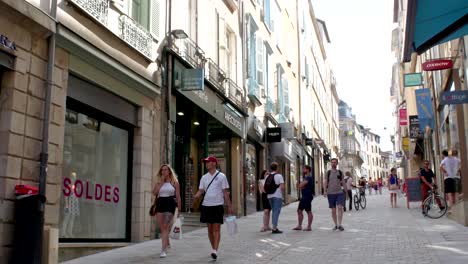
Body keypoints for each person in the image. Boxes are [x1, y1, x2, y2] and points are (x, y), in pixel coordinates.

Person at [193, 156, 232, 260]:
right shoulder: (204, 177)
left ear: (214, 163)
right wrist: (196, 196)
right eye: (206, 162)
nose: (206, 164)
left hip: (218, 205)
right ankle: (213, 247)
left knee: (216, 228)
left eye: (208, 162)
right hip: (206, 206)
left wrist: (229, 205)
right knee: (210, 229)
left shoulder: (222, 176)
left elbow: (225, 192)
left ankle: (215, 250)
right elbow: (201, 190)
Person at [152, 164, 182, 258]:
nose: (164, 171)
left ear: (169, 171)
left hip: (170, 204)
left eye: (166, 170)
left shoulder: (175, 182)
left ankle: (163, 250)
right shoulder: (158, 182)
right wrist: (161, 182)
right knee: (163, 228)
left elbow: (178, 196)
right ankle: (167, 242)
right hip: (160, 203)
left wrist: (179, 209)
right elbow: (154, 193)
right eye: (162, 170)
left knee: (165, 226)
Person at [324, 158, 347, 231]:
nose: (333, 164)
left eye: (335, 162)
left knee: (340, 207)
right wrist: (325, 191)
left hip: (339, 192)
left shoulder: (340, 172)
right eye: (332, 162)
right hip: (330, 193)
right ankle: (336, 224)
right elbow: (325, 182)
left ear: (337, 164)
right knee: (333, 210)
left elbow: (343, 182)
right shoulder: (328, 173)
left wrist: (346, 193)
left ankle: (340, 224)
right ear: (331, 163)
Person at [293, 165, 315, 231]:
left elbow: (300, 186)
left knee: (301, 210)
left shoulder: (308, 177)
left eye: (304, 169)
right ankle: (305, 226)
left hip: (306, 196)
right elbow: (301, 186)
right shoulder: (306, 177)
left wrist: (300, 185)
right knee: (307, 211)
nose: (303, 170)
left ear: (308, 170)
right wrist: (301, 186)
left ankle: (303, 226)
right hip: (306, 196)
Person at [266, 162, 285, 234]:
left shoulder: (268, 176)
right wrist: (281, 193)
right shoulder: (279, 176)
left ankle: (274, 226)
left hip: (269, 196)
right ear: (277, 168)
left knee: (274, 211)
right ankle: (274, 228)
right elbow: (282, 187)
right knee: (276, 212)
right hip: (277, 196)